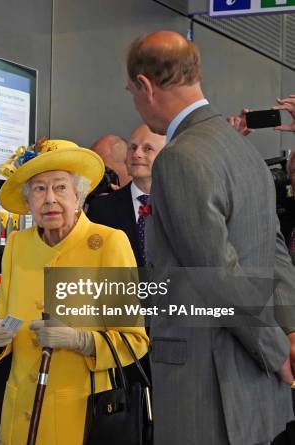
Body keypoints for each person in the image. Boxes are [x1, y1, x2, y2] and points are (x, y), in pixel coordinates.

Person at [125, 31, 295, 445]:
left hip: (206, 387)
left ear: (146, 86)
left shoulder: (180, 157)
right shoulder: (245, 153)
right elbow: (274, 251)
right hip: (253, 387)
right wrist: (289, 333)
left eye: (131, 90)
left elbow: (218, 273)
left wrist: (276, 353)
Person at [0, 139, 149, 445]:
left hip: (81, 420)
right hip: (19, 420)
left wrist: (80, 340)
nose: (49, 199)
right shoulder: (18, 246)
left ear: (78, 193)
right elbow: (3, 317)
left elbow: (134, 340)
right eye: (38, 189)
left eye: (60, 187)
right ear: (28, 201)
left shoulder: (108, 244)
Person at [86, 125, 166, 266]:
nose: (137, 154)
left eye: (147, 149)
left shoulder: (185, 206)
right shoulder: (101, 209)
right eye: (133, 148)